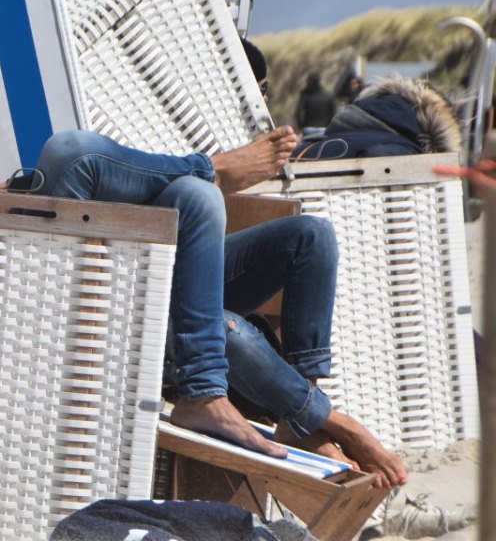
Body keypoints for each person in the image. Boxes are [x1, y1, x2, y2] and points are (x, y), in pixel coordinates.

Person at [27, 41, 408, 489]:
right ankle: (306, 413)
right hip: (110, 314)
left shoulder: (157, 138)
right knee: (81, 154)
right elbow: (74, 155)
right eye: (258, 88)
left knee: (308, 235)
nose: (261, 99)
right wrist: (213, 169)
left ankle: (302, 418)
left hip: (161, 276)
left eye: (264, 89)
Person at [295, 72, 336, 137]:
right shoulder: (329, 96)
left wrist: (302, 127)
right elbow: (333, 114)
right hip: (324, 129)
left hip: (308, 129)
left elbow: (298, 113)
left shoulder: (305, 95)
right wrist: (329, 126)